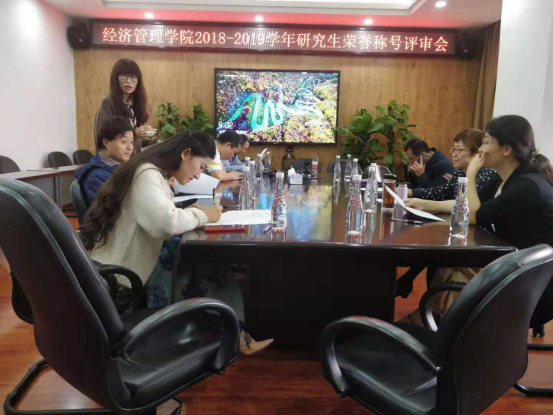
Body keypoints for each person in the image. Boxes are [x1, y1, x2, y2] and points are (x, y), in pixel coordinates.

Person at [80, 131, 271, 354]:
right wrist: (203, 215)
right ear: (185, 154)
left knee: (200, 259)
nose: (198, 175)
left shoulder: (149, 171)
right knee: (208, 264)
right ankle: (231, 334)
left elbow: (159, 216)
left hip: (123, 269)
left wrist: (189, 213)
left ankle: (227, 333)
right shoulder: (147, 174)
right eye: (200, 167)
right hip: (123, 279)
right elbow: (165, 224)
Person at [468, 115, 553, 248]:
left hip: (526, 260)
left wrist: (470, 173)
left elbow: (471, 215)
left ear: (507, 149)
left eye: (486, 142)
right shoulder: (500, 179)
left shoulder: (527, 186)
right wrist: (432, 205)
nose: (480, 149)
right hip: (512, 254)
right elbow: (472, 205)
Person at [404, 129, 499, 213]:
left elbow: (466, 204)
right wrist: (409, 192)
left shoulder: (487, 173)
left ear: (477, 152)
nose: (454, 154)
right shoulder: (460, 172)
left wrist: (424, 204)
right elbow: (440, 192)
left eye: (459, 149)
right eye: (453, 149)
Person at [94, 59, 156, 151]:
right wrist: (135, 134)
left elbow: (137, 142)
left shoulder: (135, 103)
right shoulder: (108, 102)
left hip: (133, 156)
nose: (128, 81)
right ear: (116, 78)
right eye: (124, 76)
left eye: (133, 77)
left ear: (138, 81)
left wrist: (147, 135)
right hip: (115, 157)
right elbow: (104, 139)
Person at [75, 116, 134, 204]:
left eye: (132, 142)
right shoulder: (96, 175)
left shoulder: (120, 167)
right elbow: (111, 208)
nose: (130, 147)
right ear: (106, 143)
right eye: (124, 142)